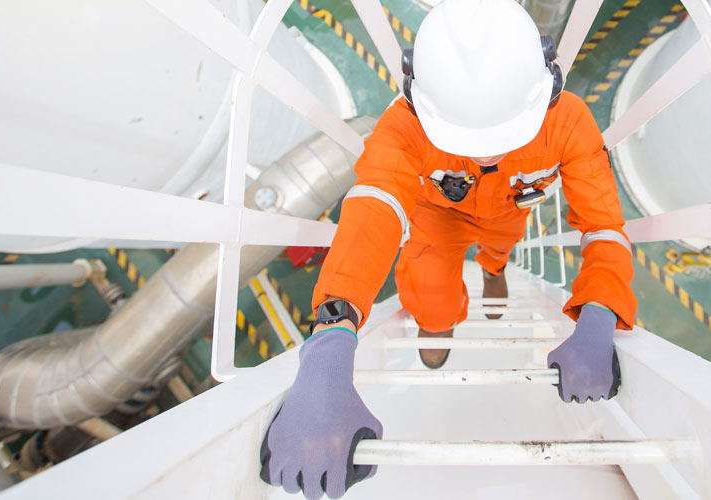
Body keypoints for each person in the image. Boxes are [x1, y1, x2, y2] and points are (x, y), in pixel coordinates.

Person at [259, 0, 636, 497]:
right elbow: (373, 208)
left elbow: (603, 223)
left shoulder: (569, 122)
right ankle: (439, 319)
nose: (487, 153)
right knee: (431, 293)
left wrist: (600, 310)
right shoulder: (403, 126)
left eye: (504, 137)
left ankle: (494, 270)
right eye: (468, 140)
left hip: (508, 216)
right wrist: (333, 332)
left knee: (498, 251)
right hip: (436, 218)